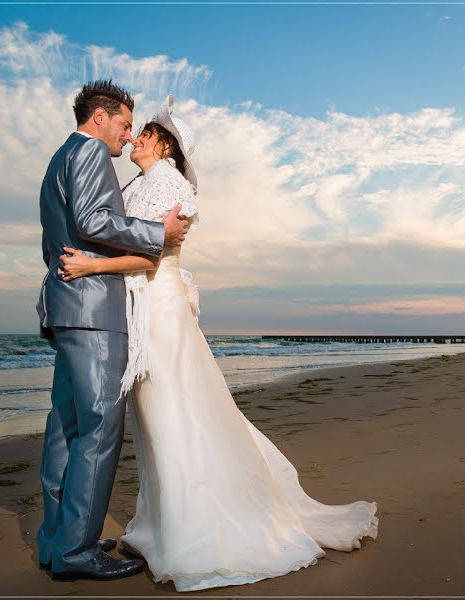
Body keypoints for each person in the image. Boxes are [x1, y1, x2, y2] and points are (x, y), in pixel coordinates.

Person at [57, 94, 379, 592]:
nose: (135, 137)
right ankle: (163, 524)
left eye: (143, 132)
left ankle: (195, 532)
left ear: (163, 145)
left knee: (174, 416)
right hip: (140, 313)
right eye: (133, 129)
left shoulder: (171, 186)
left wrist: (92, 265)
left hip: (160, 313)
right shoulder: (137, 183)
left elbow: (148, 257)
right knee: (157, 423)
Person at [36, 80, 191, 582]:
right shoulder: (88, 154)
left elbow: (62, 235)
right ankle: (77, 552)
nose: (127, 137)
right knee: (100, 428)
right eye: (125, 125)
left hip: (66, 306)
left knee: (68, 427)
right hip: (95, 309)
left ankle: (57, 541)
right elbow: (93, 219)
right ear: (99, 118)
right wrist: (156, 235)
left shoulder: (60, 158)